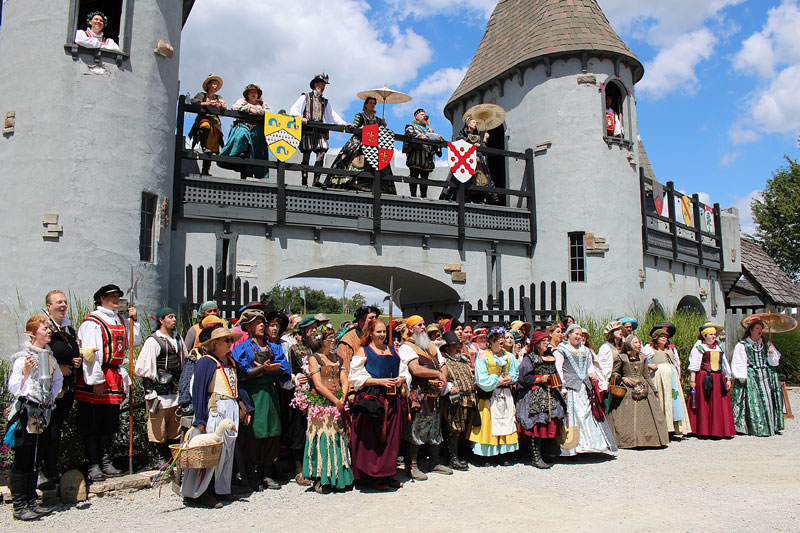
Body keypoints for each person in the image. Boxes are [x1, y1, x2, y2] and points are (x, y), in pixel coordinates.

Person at [182, 326, 253, 509]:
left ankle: (222, 488)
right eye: (226, 340)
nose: (230, 343)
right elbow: (198, 390)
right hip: (216, 407)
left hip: (230, 407)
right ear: (215, 343)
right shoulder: (206, 362)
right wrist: (200, 419)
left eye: (231, 340)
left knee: (228, 451)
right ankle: (203, 492)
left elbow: (239, 385)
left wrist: (245, 406)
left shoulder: (231, 361)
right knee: (213, 452)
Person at [76, 284, 141, 482]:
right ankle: (94, 464)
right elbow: (90, 353)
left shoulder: (119, 319)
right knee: (94, 422)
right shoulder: (93, 322)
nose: (115, 299)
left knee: (110, 422)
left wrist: (134, 321)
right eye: (111, 296)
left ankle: (106, 461)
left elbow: (133, 341)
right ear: (101, 299)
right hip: (99, 373)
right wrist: (96, 379)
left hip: (114, 375)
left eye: (117, 296)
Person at [6, 315, 62, 521]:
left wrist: (49, 399)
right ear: (32, 333)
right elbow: (14, 387)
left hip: (42, 413)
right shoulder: (23, 357)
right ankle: (19, 506)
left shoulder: (49, 357)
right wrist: (26, 372)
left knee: (35, 459)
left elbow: (58, 381)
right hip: (26, 414)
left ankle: (31, 501)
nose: (48, 330)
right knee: (23, 460)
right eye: (43, 328)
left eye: (48, 327)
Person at [230, 310, 291, 491]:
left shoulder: (274, 348)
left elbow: (283, 369)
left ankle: (268, 472)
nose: (262, 325)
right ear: (247, 327)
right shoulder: (242, 348)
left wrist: (261, 370)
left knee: (273, 433)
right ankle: (252, 473)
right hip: (252, 395)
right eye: (257, 323)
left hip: (270, 394)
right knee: (253, 435)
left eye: (263, 322)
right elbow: (241, 373)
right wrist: (262, 370)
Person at [348, 319, 408, 491]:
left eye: (384, 332)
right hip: (372, 399)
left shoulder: (392, 349)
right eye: (378, 332)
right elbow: (355, 376)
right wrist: (379, 381)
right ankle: (373, 476)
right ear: (370, 333)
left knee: (391, 439)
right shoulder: (363, 350)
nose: (382, 335)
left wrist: (401, 378)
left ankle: (388, 474)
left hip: (392, 399)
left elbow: (403, 369)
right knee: (373, 438)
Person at [301, 324, 353, 493]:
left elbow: (344, 380)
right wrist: (334, 400)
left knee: (337, 437)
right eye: (330, 339)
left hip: (337, 403)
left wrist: (342, 397)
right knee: (322, 438)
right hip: (321, 405)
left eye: (334, 339)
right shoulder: (314, 358)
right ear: (321, 341)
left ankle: (339, 477)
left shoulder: (338, 359)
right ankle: (321, 478)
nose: (333, 342)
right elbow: (317, 384)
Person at [399, 316, 452, 480]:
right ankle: (412, 466)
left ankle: (434, 462)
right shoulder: (407, 347)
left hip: (434, 393)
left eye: (423, 324)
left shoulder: (431, 346)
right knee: (415, 429)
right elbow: (415, 369)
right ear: (410, 329)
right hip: (418, 394)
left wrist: (443, 379)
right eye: (419, 325)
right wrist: (437, 374)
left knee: (435, 428)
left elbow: (443, 365)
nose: (423, 327)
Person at [133, 307, 187, 468]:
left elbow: (184, 362)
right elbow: (144, 368)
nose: (174, 320)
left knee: (175, 429)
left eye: (175, 316)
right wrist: (150, 392)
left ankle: (172, 459)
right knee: (158, 428)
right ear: (161, 320)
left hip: (175, 390)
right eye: (170, 317)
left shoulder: (178, 339)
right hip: (159, 392)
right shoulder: (153, 341)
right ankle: (159, 458)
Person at [38, 290, 81, 490]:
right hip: (50, 389)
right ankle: (41, 471)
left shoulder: (68, 330)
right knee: (48, 431)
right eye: (58, 302)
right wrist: (58, 367)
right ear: (49, 306)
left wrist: (76, 360)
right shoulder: (46, 329)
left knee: (57, 430)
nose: (63, 305)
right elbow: (41, 353)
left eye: (64, 302)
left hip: (66, 389)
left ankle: (52, 470)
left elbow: (71, 351)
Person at [554, 324, 617, 456]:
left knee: (587, 414)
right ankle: (572, 448)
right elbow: (558, 368)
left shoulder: (585, 350)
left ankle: (589, 445)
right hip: (570, 388)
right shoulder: (561, 350)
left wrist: (591, 373)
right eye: (576, 334)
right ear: (569, 335)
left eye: (580, 335)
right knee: (573, 416)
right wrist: (562, 386)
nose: (579, 337)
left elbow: (589, 366)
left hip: (584, 388)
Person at [606, 335, 669, 448]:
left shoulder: (643, 357)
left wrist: (654, 390)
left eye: (639, 342)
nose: (638, 344)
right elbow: (614, 372)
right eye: (635, 343)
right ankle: (627, 440)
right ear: (629, 344)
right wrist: (623, 378)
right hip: (627, 389)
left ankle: (646, 440)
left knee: (646, 415)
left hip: (643, 387)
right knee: (625, 416)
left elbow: (646, 375)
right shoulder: (622, 357)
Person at [469, 326, 519, 464]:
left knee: (506, 420)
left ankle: (503, 453)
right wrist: (497, 380)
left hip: (505, 393)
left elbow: (515, 371)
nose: (501, 340)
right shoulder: (483, 356)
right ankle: (486, 455)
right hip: (490, 394)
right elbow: (481, 379)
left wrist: (511, 378)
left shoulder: (508, 356)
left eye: (502, 337)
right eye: (498, 338)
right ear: (490, 340)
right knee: (489, 423)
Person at [289, 73, 350, 187]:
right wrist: (301, 118)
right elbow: (294, 110)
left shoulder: (324, 101)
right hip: (307, 130)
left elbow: (332, 116)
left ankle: (316, 180)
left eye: (324, 85)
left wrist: (344, 124)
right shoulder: (305, 97)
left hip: (320, 131)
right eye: (321, 84)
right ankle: (304, 180)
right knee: (306, 154)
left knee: (322, 150)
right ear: (315, 84)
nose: (323, 87)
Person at [516, 331, 565, 469]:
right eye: (544, 341)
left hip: (551, 392)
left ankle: (547, 452)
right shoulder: (530, 358)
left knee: (550, 421)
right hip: (535, 394)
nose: (547, 343)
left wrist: (557, 384)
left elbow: (555, 373)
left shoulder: (551, 356)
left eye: (547, 340)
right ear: (537, 344)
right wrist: (540, 379)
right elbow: (524, 378)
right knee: (537, 423)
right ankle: (535, 457)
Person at [731, 319, 785, 437]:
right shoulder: (743, 345)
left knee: (768, 400)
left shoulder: (766, 344)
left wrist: (771, 353)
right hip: (752, 375)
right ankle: (756, 427)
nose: (760, 331)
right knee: (754, 401)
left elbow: (774, 363)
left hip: (766, 375)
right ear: (751, 330)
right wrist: (742, 377)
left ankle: (771, 425)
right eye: (757, 328)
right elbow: (738, 361)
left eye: (761, 329)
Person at [641, 322, 692, 436]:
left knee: (673, 400)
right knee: (662, 400)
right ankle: (661, 427)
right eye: (661, 337)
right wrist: (650, 366)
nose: (664, 339)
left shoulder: (671, 349)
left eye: (666, 337)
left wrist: (678, 374)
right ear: (656, 338)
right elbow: (642, 360)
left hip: (672, 379)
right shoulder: (649, 348)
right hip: (659, 378)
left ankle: (674, 426)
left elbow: (677, 362)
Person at [285, 316, 319, 486]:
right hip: (302, 394)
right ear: (303, 331)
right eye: (311, 328)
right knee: (299, 432)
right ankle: (299, 470)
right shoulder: (295, 349)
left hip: (319, 394)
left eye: (315, 328)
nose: (314, 331)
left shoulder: (320, 347)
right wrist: (297, 377)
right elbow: (290, 370)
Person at [327, 96, 386, 191]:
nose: (372, 105)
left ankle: (373, 185)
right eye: (370, 103)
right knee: (353, 160)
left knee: (375, 163)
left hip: (373, 144)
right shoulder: (360, 115)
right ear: (366, 104)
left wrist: (383, 125)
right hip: (361, 141)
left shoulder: (378, 120)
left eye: (374, 103)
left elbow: (381, 132)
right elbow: (355, 126)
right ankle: (354, 182)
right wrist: (355, 126)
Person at [687, 323, 735, 438]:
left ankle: (719, 430)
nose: (713, 337)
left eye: (714, 334)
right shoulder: (700, 348)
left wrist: (728, 378)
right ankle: (704, 430)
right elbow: (694, 365)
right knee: (705, 402)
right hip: (704, 377)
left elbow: (724, 363)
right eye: (711, 334)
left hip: (718, 378)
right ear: (704, 336)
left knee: (719, 403)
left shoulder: (719, 348)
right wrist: (693, 381)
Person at [217, 84, 270, 180]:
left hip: (257, 132)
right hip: (243, 126)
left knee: (254, 154)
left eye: (255, 92)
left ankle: (245, 173)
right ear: (247, 94)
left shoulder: (262, 104)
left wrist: (257, 112)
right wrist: (248, 109)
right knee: (242, 134)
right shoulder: (242, 101)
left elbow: (268, 113)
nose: (253, 94)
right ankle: (239, 152)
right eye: (251, 92)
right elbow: (235, 107)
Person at [440, 116, 498, 204]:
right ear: (468, 124)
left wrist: (484, 141)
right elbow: (460, 144)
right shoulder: (463, 135)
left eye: (476, 122)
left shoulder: (478, 137)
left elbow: (484, 151)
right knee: (463, 180)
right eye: (473, 122)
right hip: (466, 162)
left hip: (478, 162)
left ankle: (479, 200)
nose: (475, 124)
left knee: (481, 180)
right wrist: (472, 145)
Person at [439, 331, 475, 471]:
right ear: (447, 348)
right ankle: (452, 458)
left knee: (463, 428)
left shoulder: (463, 361)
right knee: (453, 429)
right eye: (454, 346)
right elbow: (442, 381)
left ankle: (461, 454)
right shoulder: (444, 363)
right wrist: (449, 387)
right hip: (454, 400)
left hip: (469, 399)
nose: (458, 348)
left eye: (459, 345)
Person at [189, 74, 227, 176]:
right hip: (204, 118)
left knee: (213, 146)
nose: (215, 86)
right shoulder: (202, 95)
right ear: (209, 85)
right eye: (214, 83)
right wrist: (208, 104)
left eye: (216, 84)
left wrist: (220, 105)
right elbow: (194, 102)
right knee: (204, 126)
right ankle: (203, 145)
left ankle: (205, 171)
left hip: (215, 123)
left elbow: (224, 105)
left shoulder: (218, 97)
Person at [403, 108, 443, 198]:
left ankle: (424, 197)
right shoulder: (411, 127)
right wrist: (420, 136)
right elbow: (409, 136)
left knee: (425, 180)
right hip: (415, 158)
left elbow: (436, 141)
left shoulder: (430, 130)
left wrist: (438, 139)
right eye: (421, 114)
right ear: (416, 117)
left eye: (425, 115)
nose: (424, 116)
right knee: (414, 177)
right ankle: (413, 196)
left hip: (427, 159)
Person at [336, 305, 380, 372]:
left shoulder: (376, 338)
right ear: (361, 321)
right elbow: (344, 370)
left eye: (375, 318)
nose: (375, 321)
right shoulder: (347, 341)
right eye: (371, 318)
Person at [594, 320, 623, 404]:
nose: (621, 331)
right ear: (612, 332)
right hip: (611, 381)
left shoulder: (621, 347)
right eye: (618, 329)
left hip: (620, 381)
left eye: (621, 329)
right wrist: (603, 383)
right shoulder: (606, 347)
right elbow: (601, 367)